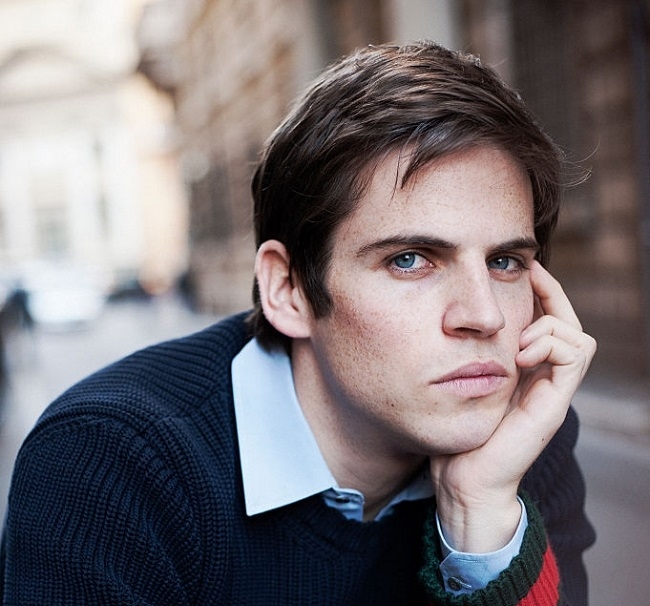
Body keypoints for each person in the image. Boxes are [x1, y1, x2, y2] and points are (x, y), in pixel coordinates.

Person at [0, 42, 596, 605]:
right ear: (288, 290)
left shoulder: (517, 436)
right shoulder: (109, 462)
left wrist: (480, 517)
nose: (484, 316)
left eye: (504, 261)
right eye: (409, 260)